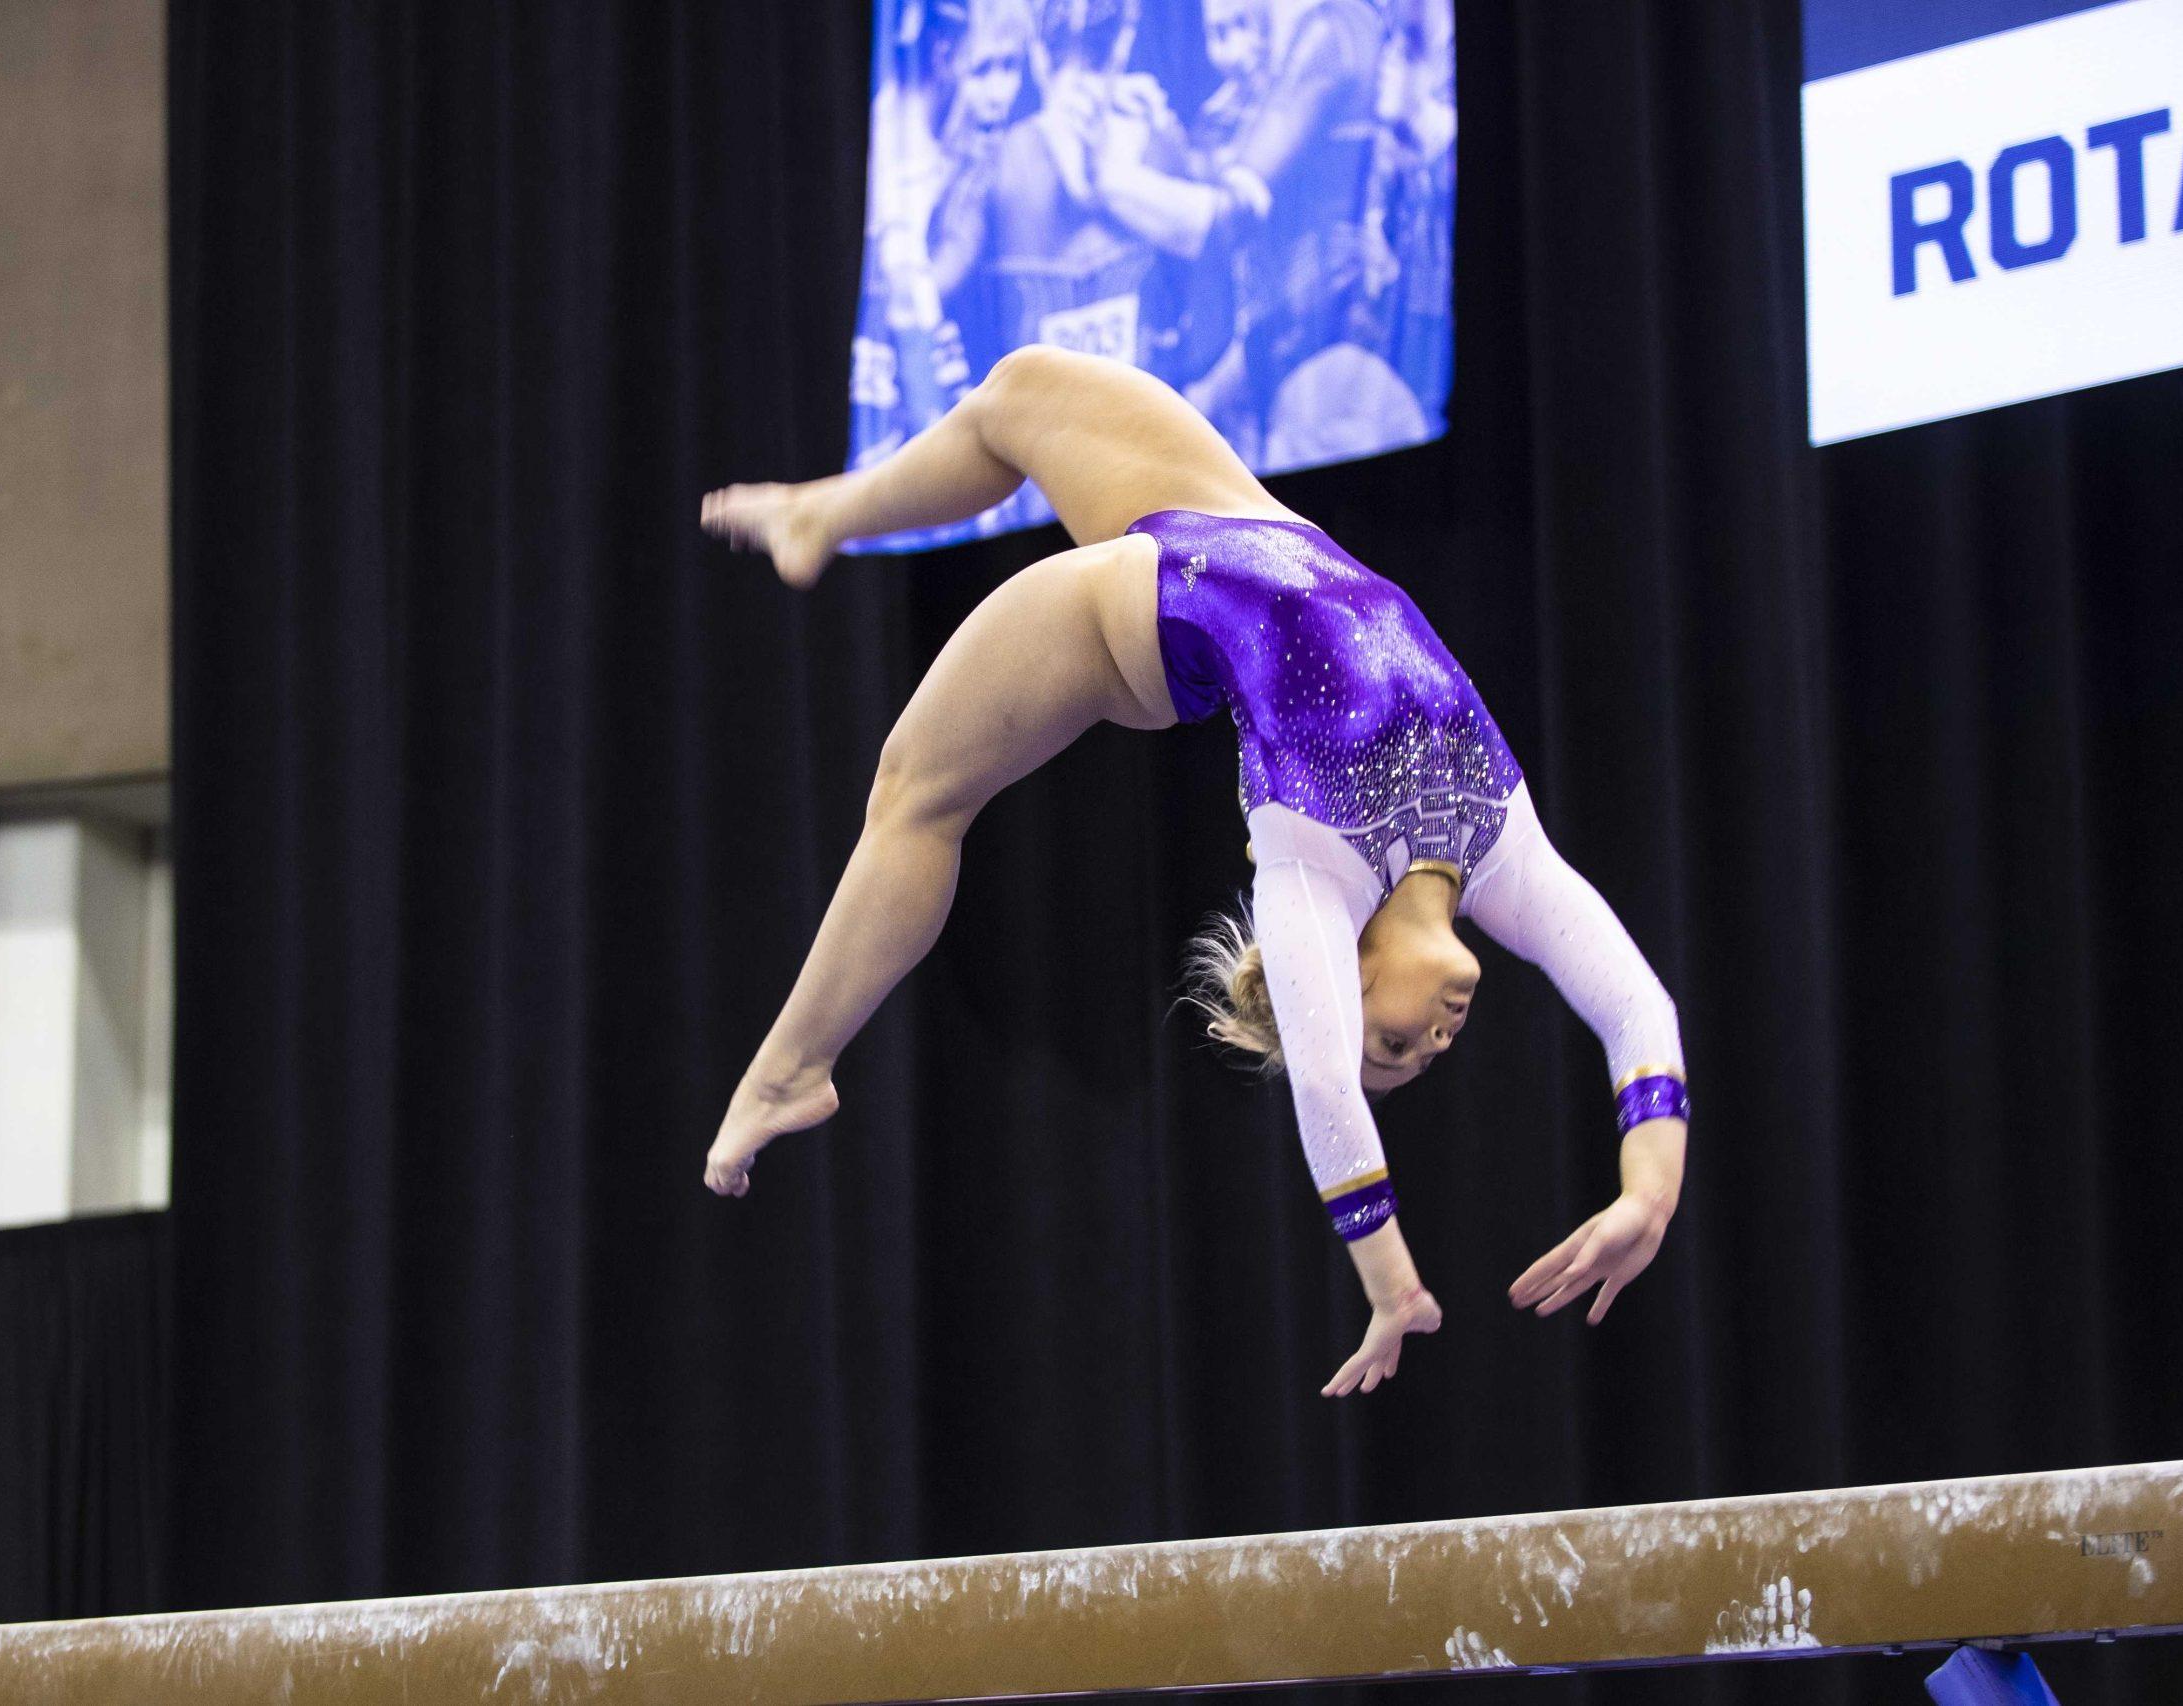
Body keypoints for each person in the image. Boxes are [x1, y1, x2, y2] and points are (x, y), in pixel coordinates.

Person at [698, 347, 1687, 1398]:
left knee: (913, 794)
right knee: (1020, 389)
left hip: (1131, 611)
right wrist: (1649, 1191)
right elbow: (1634, 1006)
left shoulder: (1313, 879)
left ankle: (791, 1065)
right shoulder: (1500, 848)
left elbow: (1319, 1083)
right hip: (1248, 528)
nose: (1437, 1035)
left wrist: (1391, 1284)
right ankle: (824, 514)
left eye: (1392, 1042)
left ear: (1343, 981)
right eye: (1421, 1051)